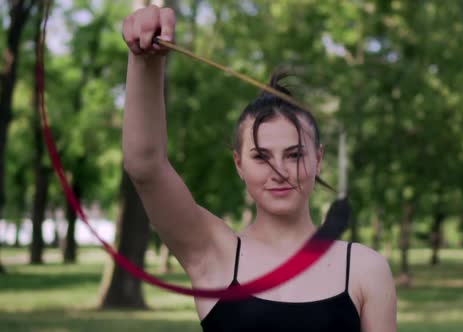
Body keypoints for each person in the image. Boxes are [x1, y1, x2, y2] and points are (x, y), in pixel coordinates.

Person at [121, 5, 396, 332]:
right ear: (239, 163)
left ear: (318, 159)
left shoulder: (365, 269)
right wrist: (145, 61)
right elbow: (145, 166)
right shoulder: (213, 253)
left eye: (294, 155)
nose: (279, 170)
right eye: (261, 157)